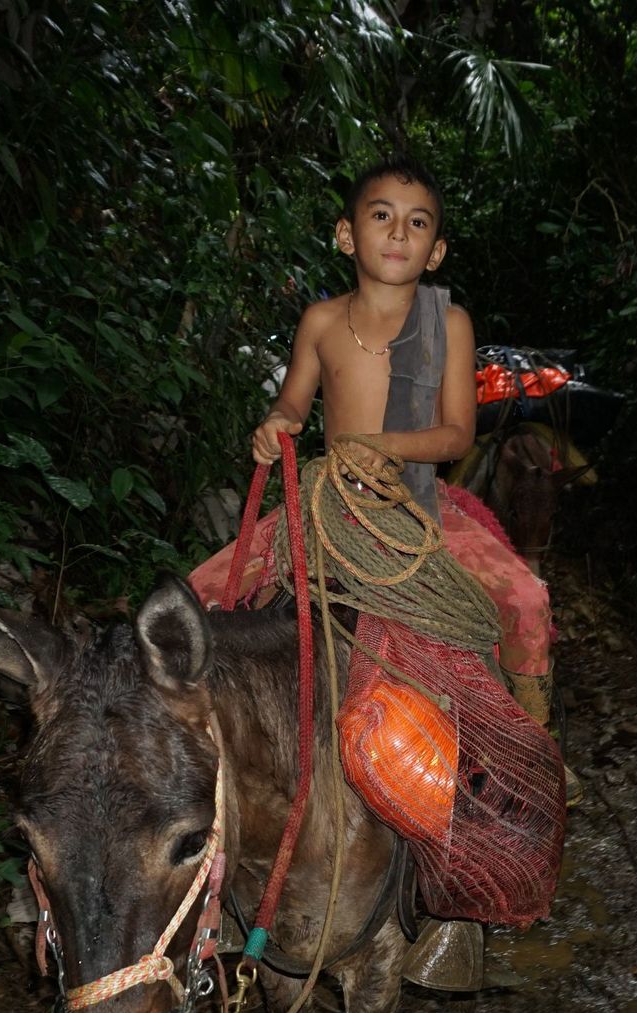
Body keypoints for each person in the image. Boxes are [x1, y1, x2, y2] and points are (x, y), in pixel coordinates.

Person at [187, 156, 555, 726]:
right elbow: (293, 402)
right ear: (346, 234)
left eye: (417, 222)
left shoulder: (450, 323)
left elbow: (457, 435)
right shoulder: (321, 321)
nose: (397, 233)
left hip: (417, 507)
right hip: (330, 504)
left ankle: (533, 739)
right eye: (381, 215)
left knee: (527, 600)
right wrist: (276, 423)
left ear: (434, 252)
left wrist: (385, 446)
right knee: (197, 595)